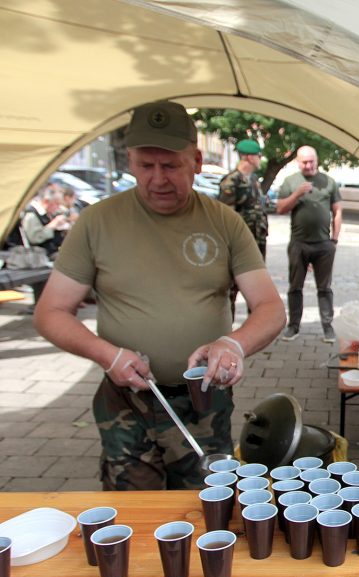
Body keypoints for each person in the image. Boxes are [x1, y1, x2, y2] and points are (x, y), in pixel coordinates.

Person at [34, 100, 285, 491]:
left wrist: (233, 345)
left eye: (170, 166)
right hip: (127, 402)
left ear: (197, 161)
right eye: (145, 166)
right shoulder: (97, 223)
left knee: (207, 509)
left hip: (204, 402)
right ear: (130, 161)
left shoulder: (225, 223)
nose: (157, 179)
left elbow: (270, 308)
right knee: (133, 515)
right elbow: (51, 311)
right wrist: (108, 355)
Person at [276, 146, 342, 342]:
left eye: (311, 161)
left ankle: (328, 328)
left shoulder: (328, 182)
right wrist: (296, 194)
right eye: (304, 162)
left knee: (325, 288)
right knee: (295, 287)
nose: (309, 165)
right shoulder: (291, 182)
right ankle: (293, 326)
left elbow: (337, 211)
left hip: (324, 245)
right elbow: (280, 208)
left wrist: (334, 240)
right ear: (298, 162)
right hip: (299, 243)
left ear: (317, 160)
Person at [218, 138, 269, 316]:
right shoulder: (231, 181)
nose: (260, 158)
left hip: (257, 243)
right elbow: (225, 219)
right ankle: (226, 331)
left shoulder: (254, 180)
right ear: (248, 157)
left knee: (256, 291)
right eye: (258, 155)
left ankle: (255, 331)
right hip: (237, 248)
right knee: (231, 291)